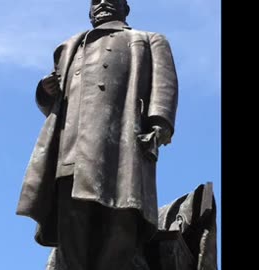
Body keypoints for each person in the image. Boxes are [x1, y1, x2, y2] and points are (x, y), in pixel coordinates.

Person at [16, 0, 178, 269]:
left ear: (125, 8)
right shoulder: (70, 46)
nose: (102, 3)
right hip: (71, 150)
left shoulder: (148, 40)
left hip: (122, 147)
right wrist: (46, 92)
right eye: (95, 1)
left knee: (121, 220)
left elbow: (164, 84)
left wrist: (159, 124)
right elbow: (55, 106)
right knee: (72, 222)